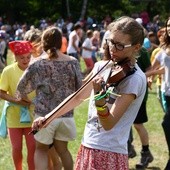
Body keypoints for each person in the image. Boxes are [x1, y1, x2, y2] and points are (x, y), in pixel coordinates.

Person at [75, 16, 146, 169]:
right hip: (88, 143)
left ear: (136, 47)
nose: (112, 49)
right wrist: (47, 118)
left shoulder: (134, 79)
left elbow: (108, 123)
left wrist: (100, 96)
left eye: (120, 45)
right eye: (111, 42)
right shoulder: (102, 66)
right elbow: (78, 97)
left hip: (109, 152)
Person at [16, 26, 82, 170]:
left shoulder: (37, 63)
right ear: (60, 42)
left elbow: (21, 87)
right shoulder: (73, 62)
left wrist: (28, 100)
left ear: (43, 42)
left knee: (41, 150)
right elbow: (80, 89)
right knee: (63, 151)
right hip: (66, 115)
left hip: (43, 116)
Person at [24, 28, 62, 170]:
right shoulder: (29, 61)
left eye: (34, 45)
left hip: (47, 111)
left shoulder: (46, 60)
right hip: (35, 112)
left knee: (51, 152)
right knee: (41, 150)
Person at [0, 40, 35, 170]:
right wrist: (17, 100)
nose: (25, 60)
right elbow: (1, 93)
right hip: (14, 116)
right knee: (16, 148)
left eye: (28, 57)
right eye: (22, 58)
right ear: (15, 57)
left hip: (32, 116)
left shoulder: (34, 70)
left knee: (32, 147)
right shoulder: (8, 71)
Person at [128, 47, 154, 169]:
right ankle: (128, 147)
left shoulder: (141, 51)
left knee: (138, 125)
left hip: (138, 94)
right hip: (123, 92)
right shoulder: (118, 48)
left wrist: (149, 78)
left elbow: (149, 69)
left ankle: (146, 153)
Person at [149, 17, 170, 170]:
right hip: (168, 94)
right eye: (168, 25)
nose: (169, 28)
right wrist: (148, 76)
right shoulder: (164, 50)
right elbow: (152, 68)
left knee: (166, 123)